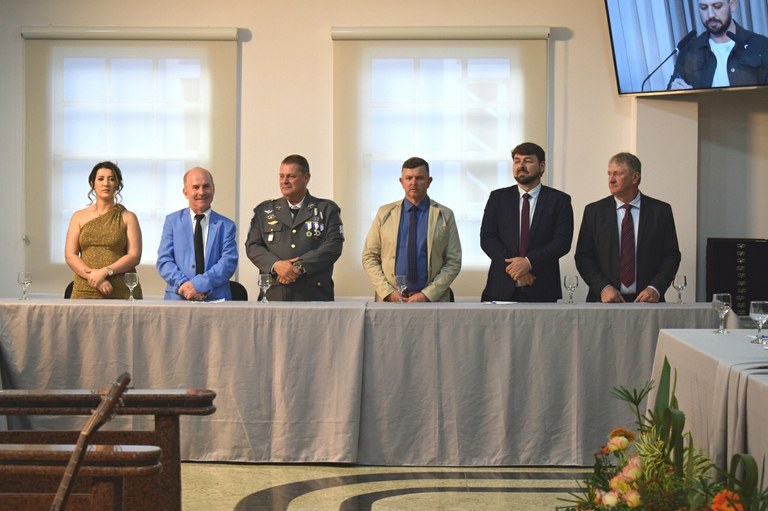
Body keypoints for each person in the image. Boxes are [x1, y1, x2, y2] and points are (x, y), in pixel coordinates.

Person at [574, 152, 681, 303]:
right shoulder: (594, 211)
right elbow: (583, 256)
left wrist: (656, 288)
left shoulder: (660, 211)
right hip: (604, 301)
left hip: (648, 302)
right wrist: (603, 288)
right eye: (609, 174)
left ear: (635, 177)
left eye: (617, 174)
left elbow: (671, 256)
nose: (611, 180)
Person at [480, 143, 573, 303]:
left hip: (542, 289)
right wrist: (517, 269)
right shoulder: (497, 198)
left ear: (542, 166)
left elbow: (562, 242)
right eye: (517, 161)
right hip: (500, 288)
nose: (521, 166)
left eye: (528, 161)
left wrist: (529, 263)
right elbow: (488, 239)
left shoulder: (559, 200)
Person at [245, 154, 344, 301]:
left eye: (291, 176)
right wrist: (277, 265)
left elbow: (333, 246)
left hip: (314, 296)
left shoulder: (326, 209)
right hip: (275, 294)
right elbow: (252, 246)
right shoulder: (264, 211)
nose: (284, 181)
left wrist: (299, 266)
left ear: (306, 177)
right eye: (281, 176)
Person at [362, 157, 462, 302]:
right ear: (401, 182)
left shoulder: (445, 215)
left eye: (419, 178)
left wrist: (427, 295)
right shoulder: (384, 214)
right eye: (408, 178)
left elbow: (453, 261)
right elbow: (369, 256)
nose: (413, 183)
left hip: (432, 301)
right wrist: (388, 292)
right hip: (391, 300)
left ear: (429, 181)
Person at [156, 167, 239, 301]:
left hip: (216, 300)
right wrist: (186, 286)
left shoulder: (226, 225)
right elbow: (164, 261)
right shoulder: (172, 221)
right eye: (195, 187)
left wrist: (199, 285)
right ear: (185, 192)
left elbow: (228, 263)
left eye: (206, 186)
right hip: (179, 297)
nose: (201, 192)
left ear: (213, 189)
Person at [64, 161, 143, 299]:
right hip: (85, 288)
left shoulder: (128, 217)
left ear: (117, 184)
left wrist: (106, 271)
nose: (106, 183)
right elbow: (70, 255)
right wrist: (95, 277)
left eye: (111, 179)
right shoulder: (78, 216)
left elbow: (134, 256)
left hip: (122, 289)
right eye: (100, 179)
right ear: (92, 184)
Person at [668, 0, 768, 90]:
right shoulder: (689, 50)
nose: (710, 15)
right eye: (704, 8)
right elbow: (671, 94)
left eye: (717, 6)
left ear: (732, 4)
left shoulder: (760, 45)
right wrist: (675, 90)